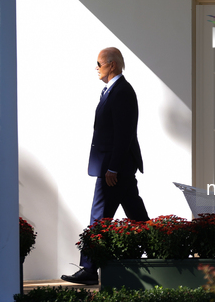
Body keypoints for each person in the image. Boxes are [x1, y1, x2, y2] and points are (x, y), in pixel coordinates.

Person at [61, 47, 149, 285]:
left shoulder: (122, 92)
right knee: (137, 216)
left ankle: (89, 269)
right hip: (116, 168)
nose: (96, 69)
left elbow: (124, 134)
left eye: (98, 64)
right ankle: (162, 253)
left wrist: (112, 168)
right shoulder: (112, 91)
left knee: (99, 217)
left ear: (112, 65)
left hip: (114, 170)